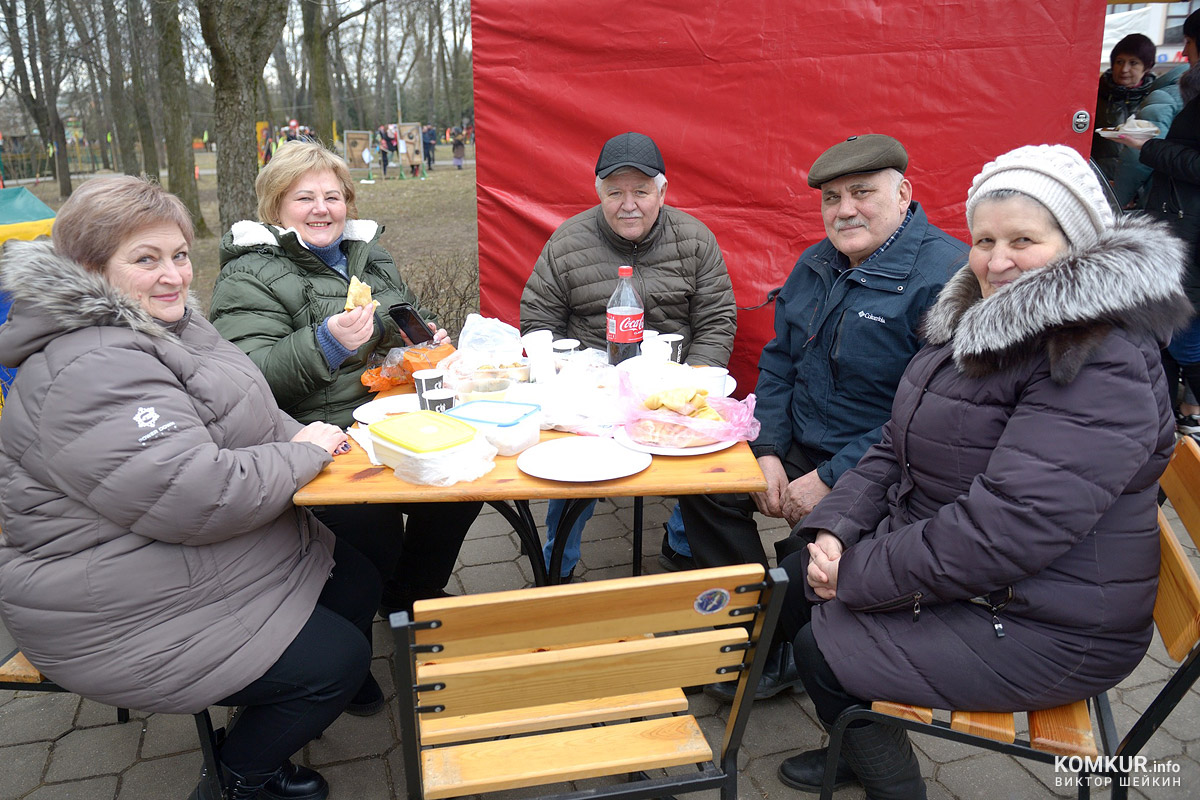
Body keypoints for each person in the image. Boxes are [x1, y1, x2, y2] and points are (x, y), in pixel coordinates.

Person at [772, 143, 1189, 800]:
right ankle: (860, 738)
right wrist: (836, 529)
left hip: (1051, 621)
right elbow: (895, 444)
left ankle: (890, 780)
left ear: (1077, 243)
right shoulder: (979, 318)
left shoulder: (1098, 354)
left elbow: (1008, 527)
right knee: (790, 579)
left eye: (1024, 239)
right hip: (999, 576)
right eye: (984, 238)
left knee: (821, 644)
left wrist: (855, 572)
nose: (997, 261)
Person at [0, 176, 383, 800]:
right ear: (88, 270)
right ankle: (241, 776)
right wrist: (302, 455)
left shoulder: (168, 326)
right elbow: (196, 495)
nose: (174, 275)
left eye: (178, 255)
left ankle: (289, 693)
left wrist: (309, 436)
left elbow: (250, 411)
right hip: (112, 607)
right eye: (145, 259)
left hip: (174, 553)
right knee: (333, 663)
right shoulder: (89, 366)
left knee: (359, 574)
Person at [681, 134, 966, 701]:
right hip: (800, 441)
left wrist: (830, 478)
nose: (845, 210)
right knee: (705, 486)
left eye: (862, 192)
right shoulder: (817, 263)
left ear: (905, 193)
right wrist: (766, 454)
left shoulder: (948, 277)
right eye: (831, 198)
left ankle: (788, 647)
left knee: (803, 557)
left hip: (885, 463)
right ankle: (753, 629)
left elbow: (922, 417)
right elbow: (781, 363)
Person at [209, 140, 481, 619]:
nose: (322, 209)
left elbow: (406, 313)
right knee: (368, 519)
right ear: (276, 208)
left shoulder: (367, 256)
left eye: (333, 196)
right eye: (304, 198)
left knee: (460, 485)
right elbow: (248, 380)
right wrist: (326, 343)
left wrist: (425, 336)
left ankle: (406, 593)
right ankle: (351, 632)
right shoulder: (248, 275)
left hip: (385, 417)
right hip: (313, 433)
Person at [520, 131, 737, 581]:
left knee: (704, 450)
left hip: (671, 381)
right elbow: (538, 316)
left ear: (662, 192)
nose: (628, 204)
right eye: (615, 192)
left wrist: (696, 383)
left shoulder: (695, 240)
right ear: (599, 193)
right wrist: (558, 377)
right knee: (569, 465)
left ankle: (681, 544)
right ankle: (556, 564)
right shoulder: (567, 241)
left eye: (641, 191)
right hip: (591, 383)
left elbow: (717, 319)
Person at [1125, 10, 1200, 438]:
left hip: (1191, 232)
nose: (1185, 49)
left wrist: (1150, 146)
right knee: (1173, 337)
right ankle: (1165, 433)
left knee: (1184, 339)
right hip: (1181, 226)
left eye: (1189, 41)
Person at [1093, 33, 1160, 184]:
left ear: (1147, 67)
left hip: (1139, 186)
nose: (1124, 69)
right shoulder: (1095, 95)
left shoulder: (1156, 99)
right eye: (1119, 62)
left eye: (1133, 63)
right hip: (1099, 181)